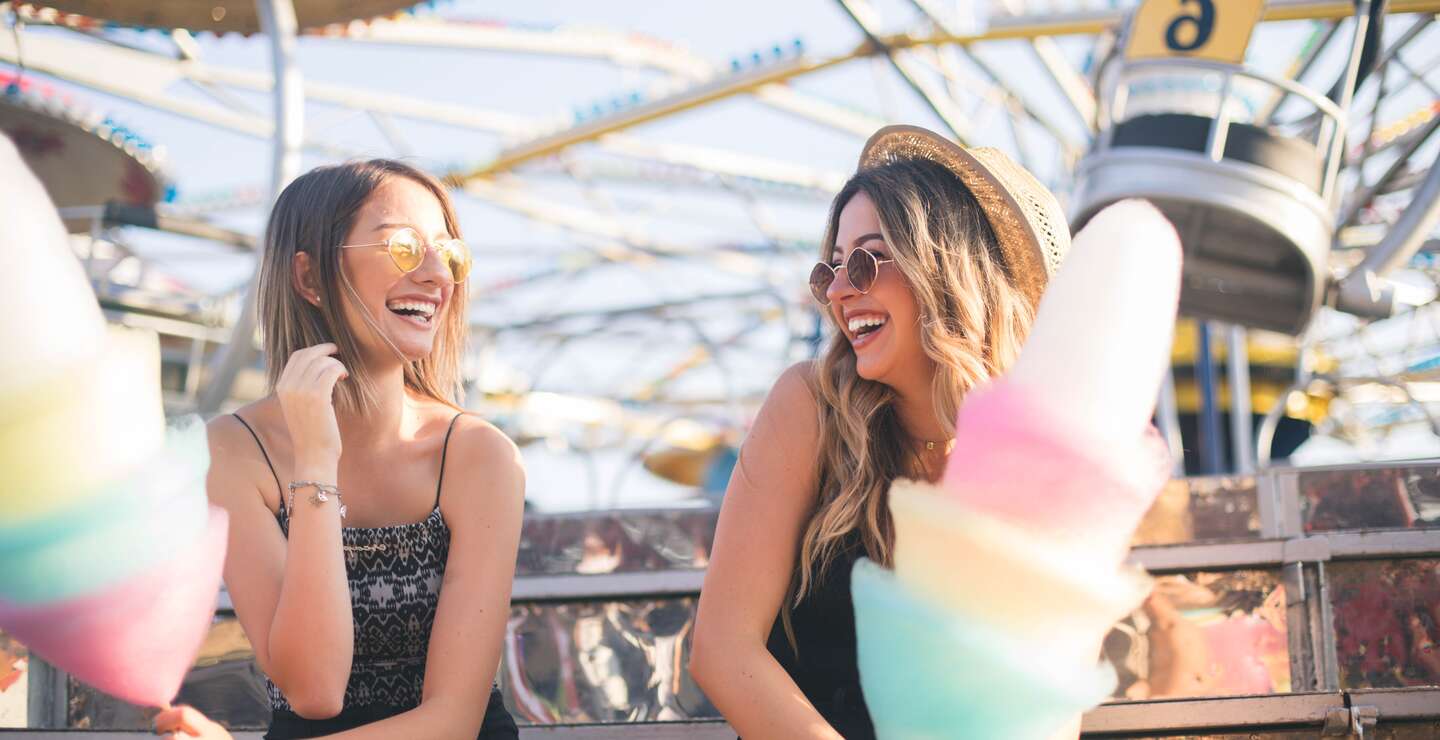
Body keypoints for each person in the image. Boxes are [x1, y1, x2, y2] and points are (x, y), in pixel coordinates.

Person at [690, 125, 1070, 739]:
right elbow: (722, 650)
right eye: (833, 268)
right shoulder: (809, 406)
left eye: (866, 261)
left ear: (945, 267)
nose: (839, 292)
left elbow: (1046, 704)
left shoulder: (1039, 460)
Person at [203, 160, 524, 739]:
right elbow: (314, 691)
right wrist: (315, 462)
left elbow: (453, 720)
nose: (437, 276)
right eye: (402, 247)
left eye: (449, 254)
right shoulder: (234, 450)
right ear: (309, 277)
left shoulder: (478, 454)